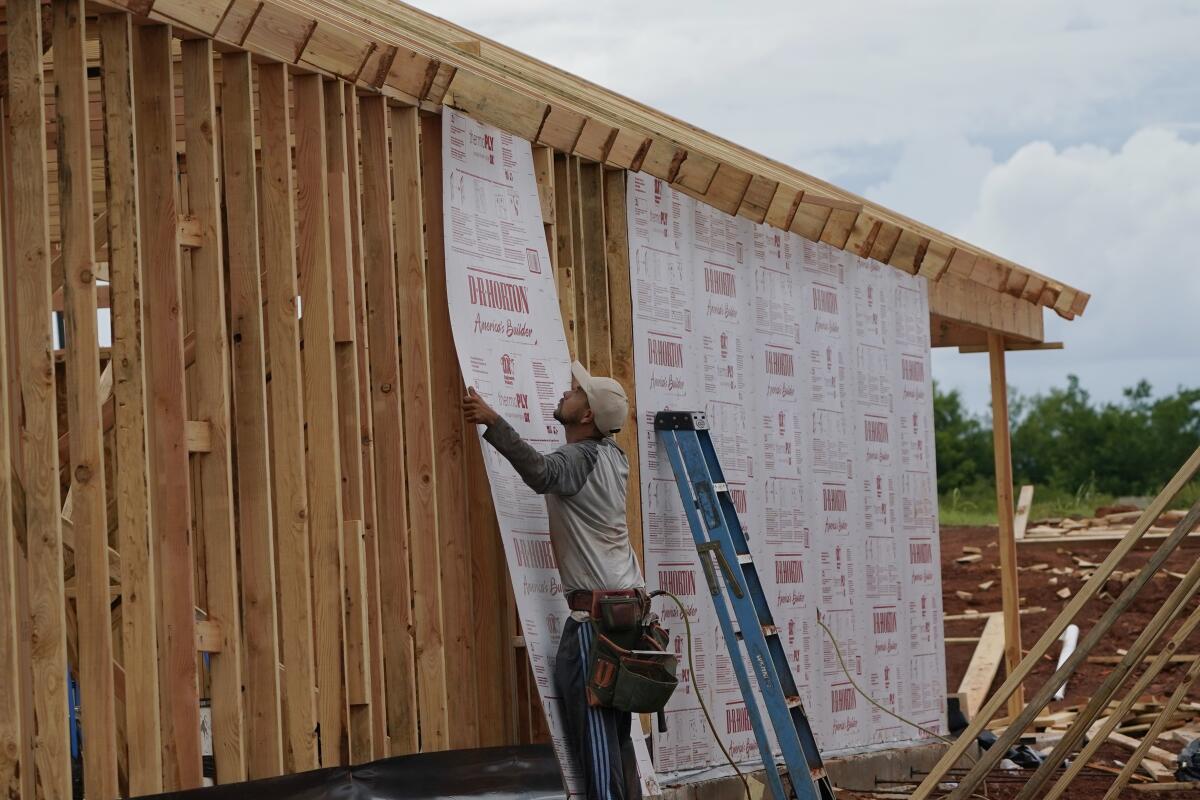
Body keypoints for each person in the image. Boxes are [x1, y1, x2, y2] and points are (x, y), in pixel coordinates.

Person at [463, 361, 643, 800]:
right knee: (616, 736)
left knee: (598, 739)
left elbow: (542, 473)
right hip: (627, 610)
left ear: (587, 417)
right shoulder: (612, 456)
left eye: (576, 392)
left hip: (597, 621)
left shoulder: (580, 458)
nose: (566, 392)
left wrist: (493, 420)